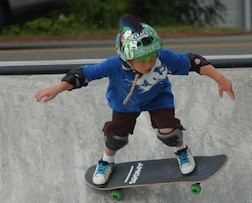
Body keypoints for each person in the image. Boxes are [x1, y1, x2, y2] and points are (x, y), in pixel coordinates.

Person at [35, 14, 235, 186]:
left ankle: (181, 151)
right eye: (142, 60)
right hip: (124, 103)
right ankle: (106, 162)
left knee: (169, 132)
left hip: (159, 99)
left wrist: (221, 79)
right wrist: (56, 89)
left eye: (152, 57)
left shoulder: (163, 58)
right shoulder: (112, 65)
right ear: (126, 59)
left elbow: (194, 62)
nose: (149, 63)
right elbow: (81, 75)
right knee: (115, 137)